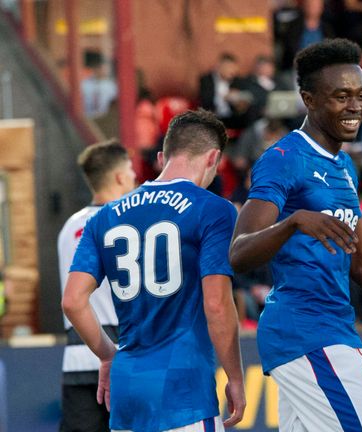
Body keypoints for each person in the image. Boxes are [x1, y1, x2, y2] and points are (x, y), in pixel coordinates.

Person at [229, 39, 362, 431]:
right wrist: (292, 223)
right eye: (341, 96)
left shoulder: (345, 166)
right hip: (305, 332)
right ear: (309, 100)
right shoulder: (283, 160)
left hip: (332, 328)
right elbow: (239, 252)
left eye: (361, 95)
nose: (355, 106)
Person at [62, 110, 246, 431]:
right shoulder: (213, 209)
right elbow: (216, 305)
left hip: (127, 392)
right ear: (213, 158)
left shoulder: (104, 217)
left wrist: (107, 355)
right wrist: (235, 376)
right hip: (184, 389)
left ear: (161, 158)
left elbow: (73, 301)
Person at [57, 140, 135, 432]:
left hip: (77, 356)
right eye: (130, 171)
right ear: (118, 177)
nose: (134, 178)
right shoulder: (128, 222)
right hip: (123, 349)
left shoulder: (69, 227)